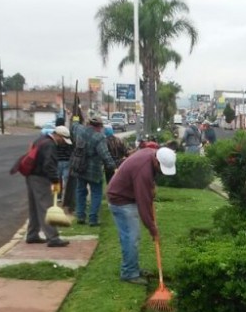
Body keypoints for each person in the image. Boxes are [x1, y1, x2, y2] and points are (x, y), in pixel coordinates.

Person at [106, 147, 177, 284]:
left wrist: (152, 186)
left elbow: (146, 191)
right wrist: (152, 229)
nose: (161, 172)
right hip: (121, 200)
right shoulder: (143, 172)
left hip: (125, 195)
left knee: (131, 236)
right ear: (156, 161)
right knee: (131, 238)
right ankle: (129, 273)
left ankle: (133, 268)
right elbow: (144, 204)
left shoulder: (150, 153)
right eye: (161, 168)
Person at [25, 125, 72, 248]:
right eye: (63, 140)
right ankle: (53, 238)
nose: (63, 143)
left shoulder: (41, 139)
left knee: (34, 207)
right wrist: (55, 181)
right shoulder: (50, 145)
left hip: (31, 175)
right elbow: (49, 165)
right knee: (46, 207)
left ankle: (32, 234)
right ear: (58, 135)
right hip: (40, 178)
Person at [71, 115, 116, 226]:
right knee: (96, 193)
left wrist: (76, 117)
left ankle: (80, 216)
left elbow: (74, 126)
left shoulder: (80, 131)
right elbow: (104, 154)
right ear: (99, 126)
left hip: (79, 166)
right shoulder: (99, 137)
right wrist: (112, 166)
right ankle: (93, 219)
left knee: (80, 191)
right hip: (93, 169)